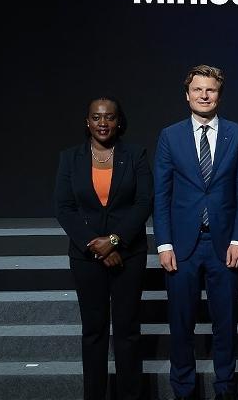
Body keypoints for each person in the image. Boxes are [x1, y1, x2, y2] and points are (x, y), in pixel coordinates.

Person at [153, 64, 238, 400]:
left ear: (219, 95)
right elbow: (161, 194)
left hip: (225, 244)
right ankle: (183, 388)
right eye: (198, 89)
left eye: (210, 90)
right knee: (181, 325)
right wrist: (164, 242)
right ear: (187, 95)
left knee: (225, 324)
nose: (204, 95)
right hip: (181, 246)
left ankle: (225, 388)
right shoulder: (170, 135)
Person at [55, 96, 153, 400]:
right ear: (87, 122)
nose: (103, 123)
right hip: (86, 257)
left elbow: (144, 201)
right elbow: (64, 207)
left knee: (127, 331)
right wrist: (95, 245)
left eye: (109, 117)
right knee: (94, 332)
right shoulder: (70, 158)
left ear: (118, 122)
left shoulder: (136, 155)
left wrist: (114, 241)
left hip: (128, 254)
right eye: (96, 118)